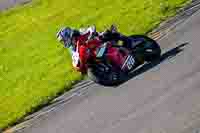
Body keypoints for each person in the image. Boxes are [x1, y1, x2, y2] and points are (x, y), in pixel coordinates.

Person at [56, 25, 129, 74]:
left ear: (68, 35)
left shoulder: (80, 32)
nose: (64, 42)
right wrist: (79, 65)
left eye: (64, 40)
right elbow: (75, 57)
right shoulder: (72, 48)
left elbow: (91, 28)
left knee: (106, 34)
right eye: (62, 42)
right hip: (94, 52)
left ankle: (126, 39)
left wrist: (91, 34)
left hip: (98, 41)